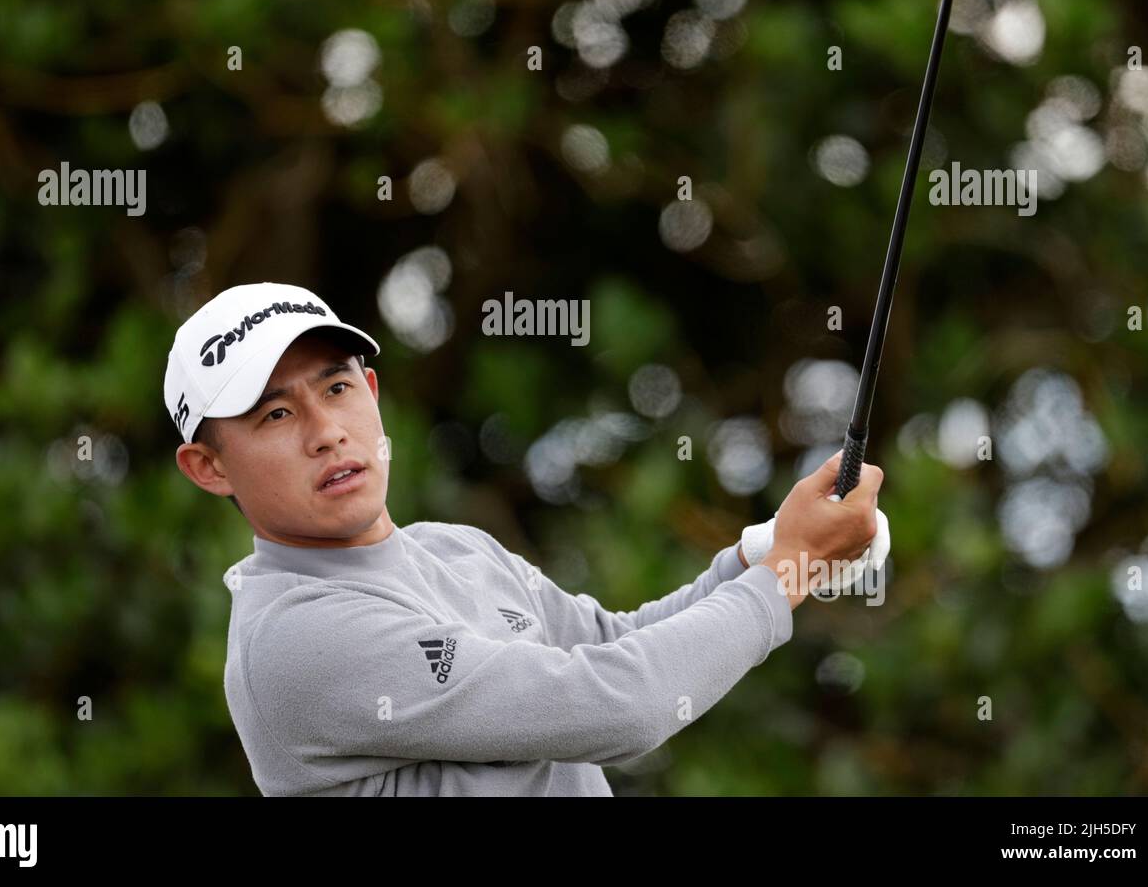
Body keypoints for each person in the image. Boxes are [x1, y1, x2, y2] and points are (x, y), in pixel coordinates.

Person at [164, 281, 889, 796]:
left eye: (336, 388)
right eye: (275, 416)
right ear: (208, 467)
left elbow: (612, 641)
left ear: (373, 393)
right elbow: (618, 704)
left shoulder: (457, 548)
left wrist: (758, 556)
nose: (327, 432)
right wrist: (792, 569)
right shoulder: (293, 638)